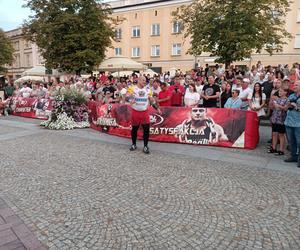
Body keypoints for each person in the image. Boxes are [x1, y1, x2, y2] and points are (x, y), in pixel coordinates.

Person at [127, 76, 161, 154]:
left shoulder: (148, 90)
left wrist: (157, 108)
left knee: (146, 130)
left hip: (144, 112)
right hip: (135, 111)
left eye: (145, 81)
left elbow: (152, 101)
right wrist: (130, 99)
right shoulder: (132, 88)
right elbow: (127, 96)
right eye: (142, 80)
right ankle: (133, 144)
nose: (144, 82)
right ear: (138, 80)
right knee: (134, 129)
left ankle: (145, 146)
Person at [284, 81, 300, 167]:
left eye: (296, 85)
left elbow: (297, 108)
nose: (294, 86)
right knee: (291, 141)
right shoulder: (291, 96)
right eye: (294, 85)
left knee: (299, 142)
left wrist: (296, 107)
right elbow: (286, 108)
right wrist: (288, 106)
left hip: (298, 123)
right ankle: (293, 156)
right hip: (289, 122)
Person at [268, 87, 289, 155]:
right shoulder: (277, 99)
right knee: (274, 133)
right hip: (275, 118)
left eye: (281, 91)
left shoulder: (287, 100)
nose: (279, 93)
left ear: (285, 92)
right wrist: (272, 103)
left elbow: (285, 109)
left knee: (281, 134)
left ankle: (281, 150)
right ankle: (274, 148)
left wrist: (278, 106)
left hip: (281, 119)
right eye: (279, 91)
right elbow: (272, 107)